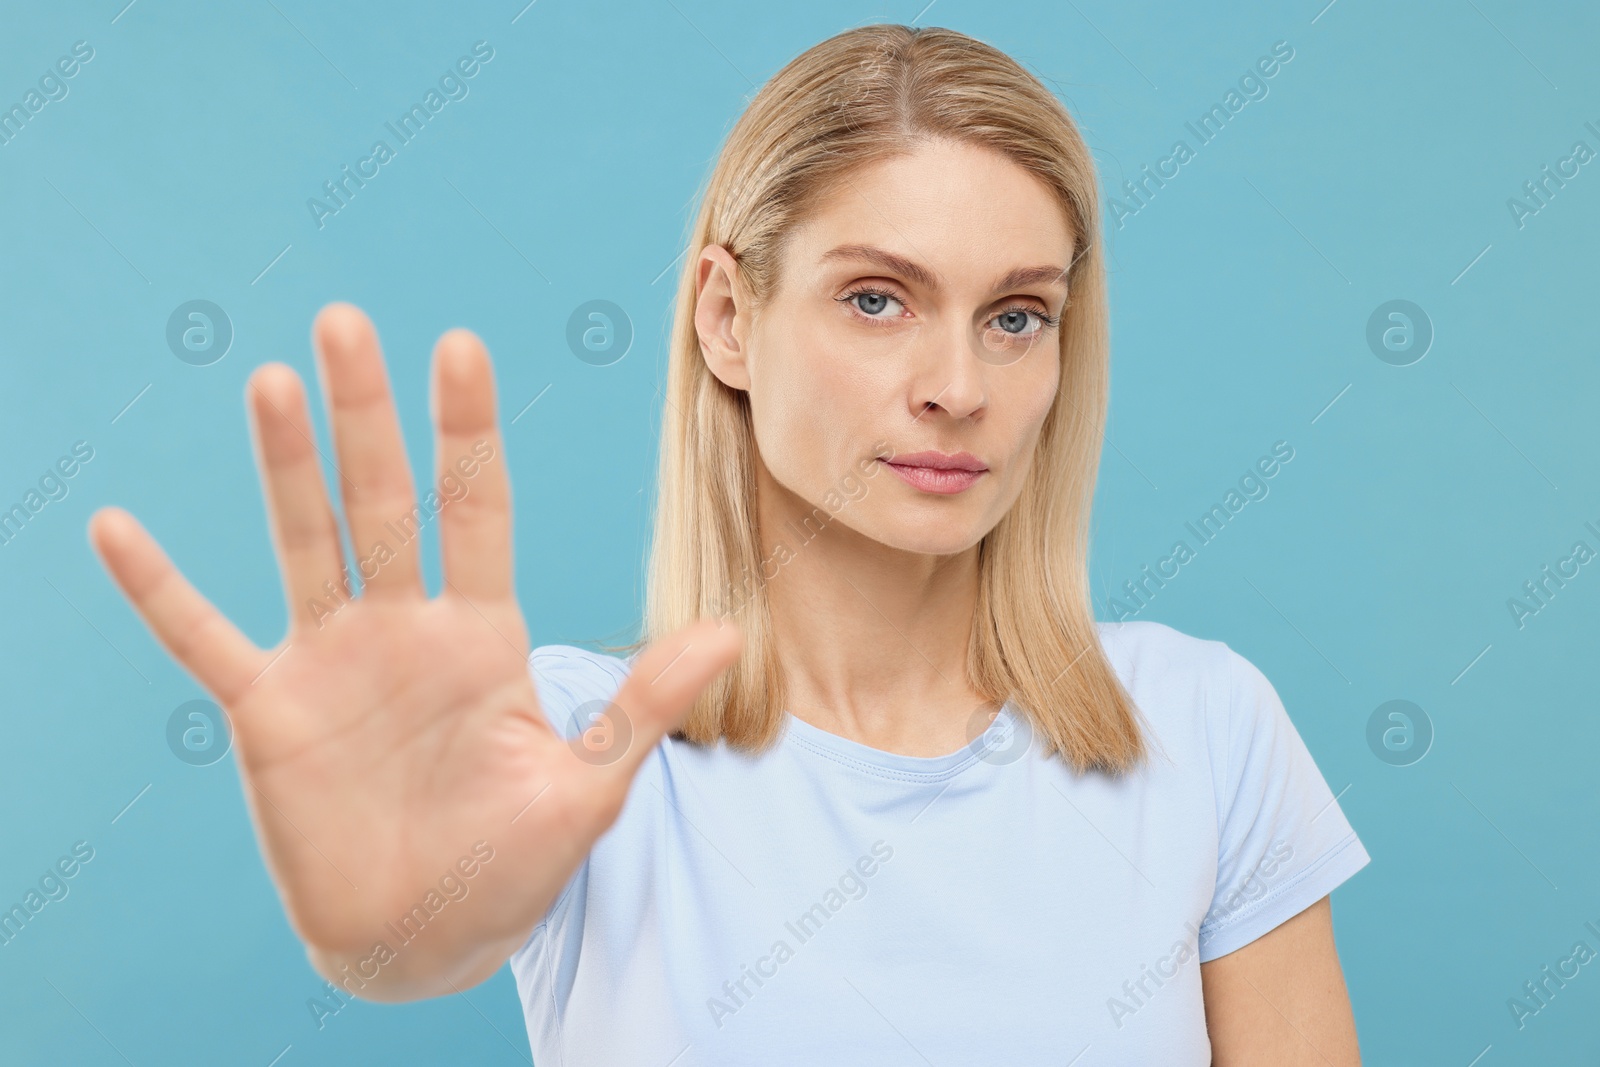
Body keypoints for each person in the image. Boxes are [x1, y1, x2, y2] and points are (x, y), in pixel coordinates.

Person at [88, 22, 1369, 1066]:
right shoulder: (574, 749)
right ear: (726, 319)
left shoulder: (1201, 725)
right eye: (877, 298)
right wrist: (390, 918)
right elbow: (421, 929)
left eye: (1017, 316)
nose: (956, 384)